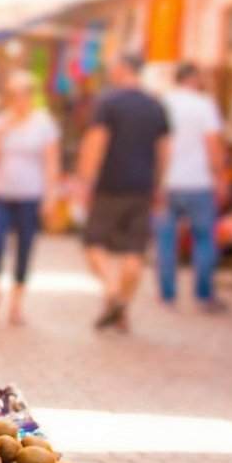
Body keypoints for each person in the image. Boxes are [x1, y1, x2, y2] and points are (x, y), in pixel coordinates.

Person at [77, 54, 170, 332]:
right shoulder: (156, 105)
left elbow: (96, 142)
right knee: (134, 250)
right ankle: (121, 309)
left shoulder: (109, 102)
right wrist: (159, 185)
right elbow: (164, 151)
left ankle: (112, 290)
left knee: (93, 243)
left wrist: (85, 180)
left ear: (122, 69)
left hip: (110, 186)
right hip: (142, 188)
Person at [0, 70, 60, 325]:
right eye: (14, 94)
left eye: (24, 93)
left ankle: (16, 303)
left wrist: (50, 197)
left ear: (31, 95)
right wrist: (0, 133)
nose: (19, 99)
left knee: (25, 247)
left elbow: (51, 163)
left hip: (30, 195)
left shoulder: (44, 124)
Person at [157, 63, 227, 312]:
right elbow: (213, 145)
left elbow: (157, 145)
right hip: (199, 182)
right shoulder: (204, 105)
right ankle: (203, 294)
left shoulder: (163, 104)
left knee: (166, 240)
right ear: (195, 79)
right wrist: (220, 178)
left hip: (166, 183)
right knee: (204, 239)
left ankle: (167, 294)